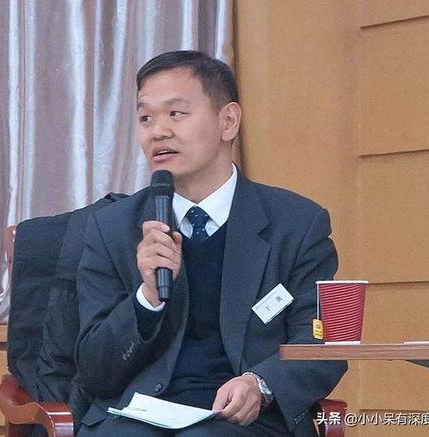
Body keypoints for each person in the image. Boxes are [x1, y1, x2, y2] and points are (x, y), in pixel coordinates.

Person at [75, 50, 347, 437]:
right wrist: (146, 299)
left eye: (176, 113)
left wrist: (262, 384)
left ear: (228, 121)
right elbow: (94, 370)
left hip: (245, 423)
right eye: (145, 118)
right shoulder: (113, 228)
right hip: (133, 419)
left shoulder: (296, 224)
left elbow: (324, 341)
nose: (158, 132)